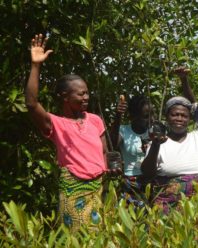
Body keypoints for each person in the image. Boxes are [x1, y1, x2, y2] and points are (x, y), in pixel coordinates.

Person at [25, 34, 109, 230]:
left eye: (87, 92)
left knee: (103, 235)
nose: (86, 97)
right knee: (78, 236)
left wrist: (106, 175)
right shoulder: (57, 124)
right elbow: (31, 103)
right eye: (81, 93)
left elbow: (104, 152)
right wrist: (36, 66)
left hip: (100, 186)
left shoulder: (95, 120)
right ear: (65, 97)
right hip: (74, 187)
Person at [141, 79, 198, 214]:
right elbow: (147, 173)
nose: (179, 118)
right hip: (169, 206)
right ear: (167, 118)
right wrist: (156, 145)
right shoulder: (157, 142)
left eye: (184, 116)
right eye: (174, 114)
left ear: (189, 119)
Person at [110, 95, 153, 207]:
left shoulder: (155, 132)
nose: (150, 119)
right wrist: (118, 116)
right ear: (133, 116)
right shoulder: (124, 131)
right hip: (131, 182)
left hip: (151, 181)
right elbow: (112, 145)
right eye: (145, 116)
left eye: (152, 114)